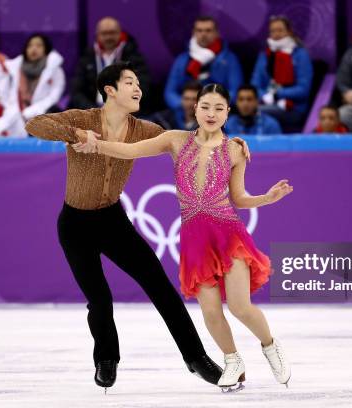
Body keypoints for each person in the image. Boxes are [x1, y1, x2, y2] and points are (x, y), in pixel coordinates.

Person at [25, 62, 250, 392]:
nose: (138, 88)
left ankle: (197, 358)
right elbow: (34, 124)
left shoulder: (145, 129)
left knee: (160, 287)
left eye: (138, 83)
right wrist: (74, 135)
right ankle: (106, 358)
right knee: (99, 298)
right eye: (129, 82)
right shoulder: (81, 119)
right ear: (110, 90)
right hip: (74, 224)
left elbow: (189, 142)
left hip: (112, 221)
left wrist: (229, 142)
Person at [71, 83, 293, 392]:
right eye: (206, 107)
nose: (211, 113)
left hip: (228, 235)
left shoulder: (234, 149)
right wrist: (96, 145)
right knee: (211, 311)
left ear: (228, 112)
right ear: (195, 108)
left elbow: (239, 198)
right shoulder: (175, 140)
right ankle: (232, 360)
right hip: (194, 240)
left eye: (218, 108)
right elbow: (132, 150)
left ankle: (270, 346)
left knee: (240, 306)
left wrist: (267, 198)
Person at [164, 16, 242, 117]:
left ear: (217, 33)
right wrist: (185, 105)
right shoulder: (182, 60)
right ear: (194, 33)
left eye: (208, 30)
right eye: (199, 30)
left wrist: (213, 106)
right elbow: (170, 92)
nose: (203, 34)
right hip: (185, 115)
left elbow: (235, 91)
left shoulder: (230, 60)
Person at [70, 17, 150, 110]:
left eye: (112, 33)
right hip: (92, 111)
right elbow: (76, 91)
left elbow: (143, 86)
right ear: (97, 35)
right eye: (104, 33)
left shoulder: (133, 56)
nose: (108, 37)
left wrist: (119, 108)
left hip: (124, 111)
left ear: (120, 33)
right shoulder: (87, 57)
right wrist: (93, 110)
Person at [250, 15, 313, 131]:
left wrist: (277, 94)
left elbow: (303, 89)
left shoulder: (300, 54)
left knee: (255, 112)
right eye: (273, 31)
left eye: (280, 30)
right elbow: (254, 85)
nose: (276, 34)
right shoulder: (264, 55)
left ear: (289, 32)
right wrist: (264, 96)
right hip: (265, 102)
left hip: (293, 107)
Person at [6, 34, 65, 121]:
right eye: (30, 46)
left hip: (44, 115)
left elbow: (54, 97)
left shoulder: (55, 70)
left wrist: (33, 111)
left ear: (46, 49)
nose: (33, 49)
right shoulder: (15, 69)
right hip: (17, 117)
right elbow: (9, 97)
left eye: (38, 45)